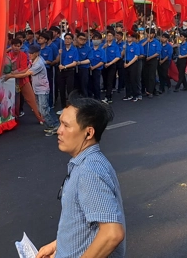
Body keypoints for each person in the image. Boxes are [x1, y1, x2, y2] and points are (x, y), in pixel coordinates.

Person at [36, 98, 126, 258]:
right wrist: (58, 245)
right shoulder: (85, 164)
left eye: (66, 125)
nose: (59, 130)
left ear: (89, 132)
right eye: (60, 123)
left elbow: (112, 233)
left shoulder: (89, 171)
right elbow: (83, 225)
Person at [4, 43, 59, 135]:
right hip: (37, 88)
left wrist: (11, 75)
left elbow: (26, 74)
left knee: (43, 109)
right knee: (43, 108)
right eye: (29, 53)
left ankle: (53, 126)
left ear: (37, 53)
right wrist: (13, 74)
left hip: (42, 89)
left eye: (32, 53)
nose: (29, 55)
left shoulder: (39, 64)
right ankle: (55, 124)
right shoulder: (33, 61)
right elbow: (25, 70)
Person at [7, 38, 43, 123]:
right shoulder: (8, 55)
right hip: (12, 81)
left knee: (32, 99)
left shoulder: (23, 55)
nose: (16, 48)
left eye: (18, 46)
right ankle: (15, 118)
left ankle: (40, 118)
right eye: (15, 46)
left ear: (21, 46)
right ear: (11, 46)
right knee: (15, 101)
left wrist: (13, 73)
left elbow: (24, 69)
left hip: (23, 80)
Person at [58, 33, 79, 111]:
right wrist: (59, 54)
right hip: (61, 72)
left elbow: (75, 62)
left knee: (70, 90)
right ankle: (63, 107)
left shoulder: (74, 49)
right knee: (62, 90)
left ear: (72, 40)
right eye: (66, 38)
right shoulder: (61, 49)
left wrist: (65, 66)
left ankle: (70, 107)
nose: (67, 40)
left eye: (69, 38)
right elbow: (57, 60)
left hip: (70, 71)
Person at [103, 31, 121, 103]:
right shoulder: (103, 45)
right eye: (108, 35)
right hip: (104, 64)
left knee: (110, 81)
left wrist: (110, 63)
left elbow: (118, 57)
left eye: (110, 36)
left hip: (112, 65)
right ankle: (107, 95)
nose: (109, 37)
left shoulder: (115, 46)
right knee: (105, 80)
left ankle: (108, 97)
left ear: (113, 37)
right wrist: (103, 47)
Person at [123, 32, 142, 102]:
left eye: (130, 37)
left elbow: (136, 56)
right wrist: (123, 49)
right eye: (128, 37)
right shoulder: (126, 45)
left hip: (133, 63)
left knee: (133, 79)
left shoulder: (136, 46)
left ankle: (136, 94)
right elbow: (122, 55)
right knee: (127, 79)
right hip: (126, 62)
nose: (129, 38)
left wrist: (129, 64)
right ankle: (128, 94)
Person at [88, 32, 105, 101]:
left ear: (100, 40)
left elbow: (102, 61)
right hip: (89, 69)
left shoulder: (101, 50)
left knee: (96, 84)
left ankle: (97, 98)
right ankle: (89, 98)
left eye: (97, 39)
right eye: (94, 39)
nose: (95, 41)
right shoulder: (89, 49)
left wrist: (94, 67)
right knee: (89, 84)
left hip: (97, 69)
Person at [142, 29, 160, 97]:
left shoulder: (156, 42)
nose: (149, 35)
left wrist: (150, 57)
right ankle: (146, 90)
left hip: (153, 59)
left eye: (151, 34)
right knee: (145, 75)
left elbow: (158, 52)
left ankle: (151, 91)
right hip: (145, 59)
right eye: (148, 33)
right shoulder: (144, 41)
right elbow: (140, 47)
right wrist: (146, 41)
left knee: (152, 75)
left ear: (154, 34)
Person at [74, 33, 92, 97]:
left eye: (84, 39)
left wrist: (80, 63)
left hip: (83, 69)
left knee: (84, 86)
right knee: (75, 87)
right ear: (77, 39)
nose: (82, 40)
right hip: (73, 69)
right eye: (80, 39)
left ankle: (85, 101)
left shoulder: (88, 48)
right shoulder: (73, 47)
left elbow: (89, 60)